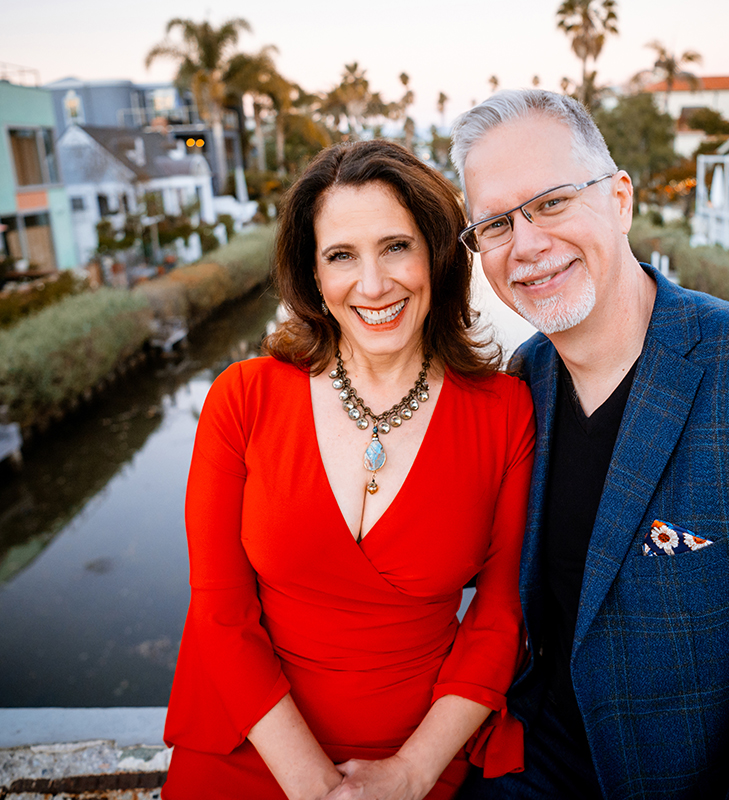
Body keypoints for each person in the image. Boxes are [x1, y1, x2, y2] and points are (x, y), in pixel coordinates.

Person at [451, 89, 729, 799]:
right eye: (496, 222)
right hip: (529, 768)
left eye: (552, 202)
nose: (526, 243)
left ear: (619, 199)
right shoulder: (524, 380)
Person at [162, 140, 535, 800]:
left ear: (439, 253)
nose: (372, 284)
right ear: (312, 275)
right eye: (341, 255)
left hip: (418, 753)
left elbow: (498, 619)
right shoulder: (242, 398)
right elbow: (220, 614)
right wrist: (312, 787)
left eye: (396, 246)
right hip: (248, 741)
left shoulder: (505, 411)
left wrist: (411, 773)